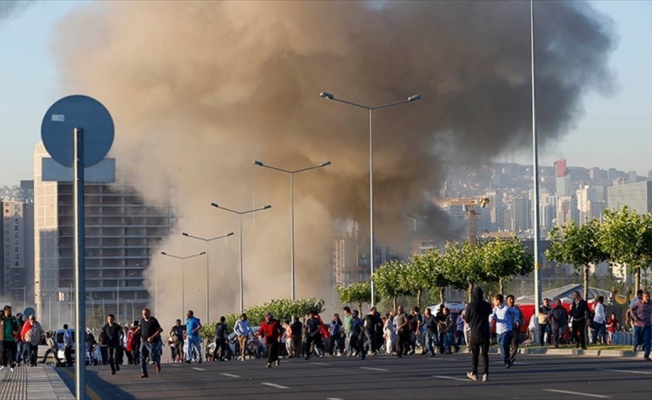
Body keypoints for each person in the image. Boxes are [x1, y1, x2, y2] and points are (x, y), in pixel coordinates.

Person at [465, 287, 493, 382]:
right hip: (485, 332)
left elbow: (467, 319)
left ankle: (474, 372)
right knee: (485, 354)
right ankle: (485, 374)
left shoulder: (470, 306)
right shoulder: (487, 305)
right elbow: (490, 313)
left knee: (475, 354)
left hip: (475, 333)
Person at [491, 293, 520, 368]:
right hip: (498, 330)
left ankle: (507, 359)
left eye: (494, 300)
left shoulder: (506, 308)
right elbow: (491, 316)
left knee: (504, 343)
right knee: (500, 343)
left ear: (498, 300)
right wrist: (491, 321)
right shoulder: (495, 308)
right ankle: (506, 358)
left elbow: (516, 312)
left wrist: (515, 320)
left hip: (507, 329)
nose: (493, 302)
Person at [135, 308, 163, 378]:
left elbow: (160, 330)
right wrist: (134, 332)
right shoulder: (142, 321)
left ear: (149, 313)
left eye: (145, 313)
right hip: (144, 342)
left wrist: (152, 337)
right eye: (143, 314)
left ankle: (157, 362)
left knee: (153, 356)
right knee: (142, 357)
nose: (144, 315)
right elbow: (140, 328)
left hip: (153, 342)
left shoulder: (153, 320)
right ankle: (144, 372)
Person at [630, 291, 652, 361]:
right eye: (646, 297)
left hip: (647, 325)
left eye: (649, 296)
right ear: (643, 297)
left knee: (647, 340)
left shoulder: (651, 303)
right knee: (637, 339)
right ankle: (635, 345)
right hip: (638, 325)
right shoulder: (638, 303)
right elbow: (631, 309)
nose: (648, 298)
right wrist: (635, 318)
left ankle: (646, 355)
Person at [0, 305, 20, 372]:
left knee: (12, 353)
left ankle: (12, 366)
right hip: (3, 339)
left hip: (12, 339)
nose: (10, 312)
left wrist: (17, 332)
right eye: (9, 310)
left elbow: (19, 326)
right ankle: (4, 365)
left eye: (10, 311)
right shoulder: (1, 319)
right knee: (3, 351)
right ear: (5, 311)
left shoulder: (13, 319)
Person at [506, 294, 524, 363]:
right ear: (507, 301)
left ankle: (510, 358)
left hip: (515, 329)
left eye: (512, 299)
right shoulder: (505, 309)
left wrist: (520, 322)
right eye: (510, 299)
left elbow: (522, 318)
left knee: (515, 346)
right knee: (506, 345)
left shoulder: (517, 309)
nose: (511, 301)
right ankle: (507, 357)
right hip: (506, 329)